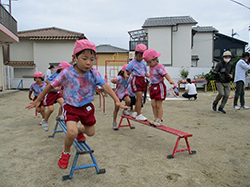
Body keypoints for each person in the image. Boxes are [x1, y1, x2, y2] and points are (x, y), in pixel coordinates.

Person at [26, 39, 129, 169]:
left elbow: (105, 86)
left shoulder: (93, 73)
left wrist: (117, 100)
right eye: (84, 58)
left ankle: (80, 131)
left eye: (92, 59)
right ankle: (66, 152)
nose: (88, 62)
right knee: (71, 133)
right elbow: (51, 85)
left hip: (86, 107)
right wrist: (38, 99)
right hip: (70, 107)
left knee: (91, 132)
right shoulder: (67, 73)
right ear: (74, 57)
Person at [143, 49, 175, 127]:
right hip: (153, 86)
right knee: (153, 104)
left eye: (150, 62)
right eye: (147, 63)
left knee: (158, 104)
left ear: (155, 59)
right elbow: (152, 77)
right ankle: (156, 118)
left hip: (159, 86)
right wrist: (150, 84)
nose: (149, 64)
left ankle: (159, 119)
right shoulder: (151, 68)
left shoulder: (159, 67)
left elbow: (165, 74)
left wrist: (170, 80)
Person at [42, 62, 72, 131]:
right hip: (50, 93)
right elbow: (46, 80)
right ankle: (45, 121)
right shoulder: (56, 75)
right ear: (61, 70)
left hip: (56, 93)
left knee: (63, 104)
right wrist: (53, 86)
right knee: (51, 109)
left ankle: (59, 115)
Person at [126, 43, 149, 121]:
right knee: (139, 97)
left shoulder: (144, 63)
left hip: (143, 79)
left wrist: (151, 77)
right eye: (139, 56)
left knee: (140, 98)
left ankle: (135, 112)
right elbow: (127, 71)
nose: (141, 58)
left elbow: (145, 73)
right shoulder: (132, 63)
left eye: (142, 56)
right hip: (136, 79)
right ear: (135, 54)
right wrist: (126, 77)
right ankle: (139, 114)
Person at [111, 64, 131, 130]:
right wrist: (114, 80)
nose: (128, 74)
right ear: (123, 72)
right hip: (118, 94)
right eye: (127, 73)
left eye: (130, 73)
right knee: (116, 109)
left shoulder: (130, 78)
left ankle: (125, 111)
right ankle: (114, 122)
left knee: (128, 101)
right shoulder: (120, 78)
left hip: (125, 92)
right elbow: (115, 79)